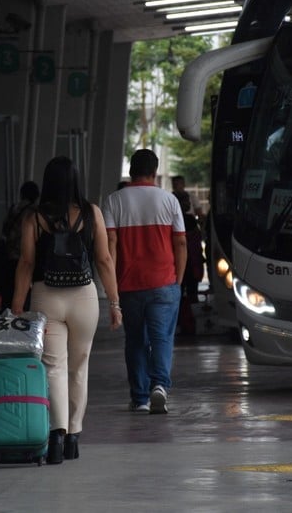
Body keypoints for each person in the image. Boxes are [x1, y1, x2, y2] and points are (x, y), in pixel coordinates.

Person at [11, 156, 122, 465]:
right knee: (79, 367)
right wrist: (114, 303)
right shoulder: (92, 212)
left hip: (47, 296)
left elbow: (26, 263)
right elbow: (104, 261)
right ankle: (74, 436)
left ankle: (56, 437)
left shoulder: (33, 217)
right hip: (84, 298)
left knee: (53, 367)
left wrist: (17, 304)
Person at [103, 149, 186, 415]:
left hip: (129, 285)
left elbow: (111, 244)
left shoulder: (114, 201)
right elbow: (181, 242)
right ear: (155, 171)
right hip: (164, 282)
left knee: (135, 340)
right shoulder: (169, 200)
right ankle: (159, 385)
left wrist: (113, 285)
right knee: (162, 337)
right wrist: (178, 280)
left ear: (130, 171)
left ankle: (139, 398)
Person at [0, 181, 39, 308]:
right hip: (24, 257)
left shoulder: (14, 208)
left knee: (9, 295)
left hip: (9, 256)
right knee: (24, 296)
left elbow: (4, 230)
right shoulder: (34, 211)